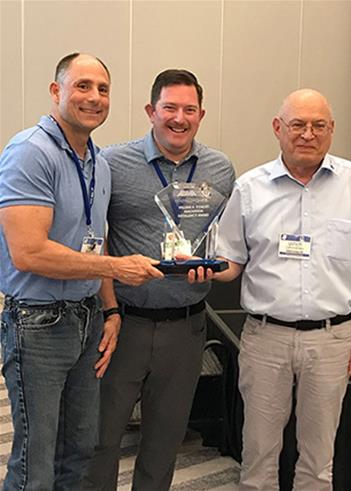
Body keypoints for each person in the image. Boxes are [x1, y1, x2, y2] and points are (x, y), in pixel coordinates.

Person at [199, 89, 351, 490]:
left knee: (319, 461)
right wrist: (201, 268)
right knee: (258, 457)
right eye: (298, 125)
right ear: (278, 128)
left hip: (333, 340)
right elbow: (231, 262)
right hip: (265, 339)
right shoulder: (249, 188)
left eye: (318, 125)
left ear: (331, 129)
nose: (308, 134)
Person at [0, 53, 163, 490]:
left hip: (87, 318)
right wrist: (117, 268)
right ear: (56, 91)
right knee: (36, 461)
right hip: (37, 322)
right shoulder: (29, 152)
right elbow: (28, 252)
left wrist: (110, 310)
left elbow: (95, 238)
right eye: (83, 86)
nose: (94, 97)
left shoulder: (98, 161)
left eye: (103, 89)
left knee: (79, 451)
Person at [82, 69, 235, 490]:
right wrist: (109, 309)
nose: (179, 118)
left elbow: (227, 241)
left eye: (189, 109)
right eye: (169, 108)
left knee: (165, 441)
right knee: (100, 439)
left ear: (201, 114)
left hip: (187, 326)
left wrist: (213, 264)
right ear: (151, 111)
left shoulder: (220, 168)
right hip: (123, 323)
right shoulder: (112, 163)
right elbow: (97, 239)